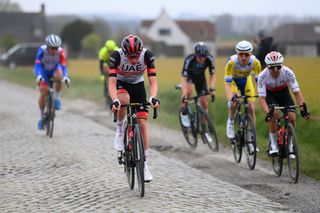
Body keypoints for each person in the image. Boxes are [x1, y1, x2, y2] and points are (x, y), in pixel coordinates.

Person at [108, 35, 160, 182]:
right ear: (124, 53)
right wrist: (115, 101)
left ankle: (144, 164)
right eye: (130, 57)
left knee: (143, 124)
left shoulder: (147, 56)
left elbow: (153, 81)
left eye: (136, 56)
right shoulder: (116, 56)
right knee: (124, 101)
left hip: (138, 84)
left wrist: (153, 97)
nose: (134, 60)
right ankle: (119, 130)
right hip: (121, 83)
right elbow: (111, 83)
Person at [258, 51, 310, 157]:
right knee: (274, 115)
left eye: (278, 67)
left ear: (281, 65)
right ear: (268, 67)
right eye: (272, 68)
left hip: (283, 92)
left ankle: (290, 145)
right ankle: (273, 145)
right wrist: (268, 113)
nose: (275, 70)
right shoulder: (262, 76)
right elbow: (262, 98)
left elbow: (297, 93)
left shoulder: (288, 72)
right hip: (270, 94)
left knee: (292, 117)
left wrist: (302, 109)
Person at [224, 40, 261, 152]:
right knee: (235, 101)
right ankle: (230, 121)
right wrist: (230, 98)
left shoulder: (255, 62)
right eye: (241, 54)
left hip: (246, 80)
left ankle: (251, 139)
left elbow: (259, 82)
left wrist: (261, 95)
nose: (244, 57)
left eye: (246, 55)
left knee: (251, 108)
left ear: (250, 54)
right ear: (237, 53)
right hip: (234, 82)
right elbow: (228, 84)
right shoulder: (231, 62)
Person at [179, 42, 216, 139]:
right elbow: (183, 77)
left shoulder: (210, 59)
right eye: (199, 56)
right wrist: (184, 93)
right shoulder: (189, 59)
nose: (202, 58)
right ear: (195, 55)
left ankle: (204, 131)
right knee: (188, 93)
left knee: (204, 103)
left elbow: (212, 75)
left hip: (200, 79)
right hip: (189, 78)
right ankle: (184, 112)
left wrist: (212, 88)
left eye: (204, 56)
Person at [34, 34, 70, 130]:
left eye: (56, 48)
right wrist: (39, 76)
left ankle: (57, 98)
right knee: (44, 91)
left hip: (54, 69)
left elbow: (63, 66)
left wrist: (66, 77)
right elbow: (37, 65)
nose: (54, 50)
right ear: (47, 46)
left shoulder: (61, 51)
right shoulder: (42, 50)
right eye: (52, 48)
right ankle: (42, 118)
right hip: (43, 71)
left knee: (59, 76)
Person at [98, 39, 119, 106]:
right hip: (106, 63)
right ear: (106, 49)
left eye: (112, 51)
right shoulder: (102, 52)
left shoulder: (118, 51)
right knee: (106, 73)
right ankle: (106, 91)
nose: (110, 53)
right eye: (109, 51)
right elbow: (101, 65)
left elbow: (120, 65)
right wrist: (102, 75)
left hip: (115, 63)